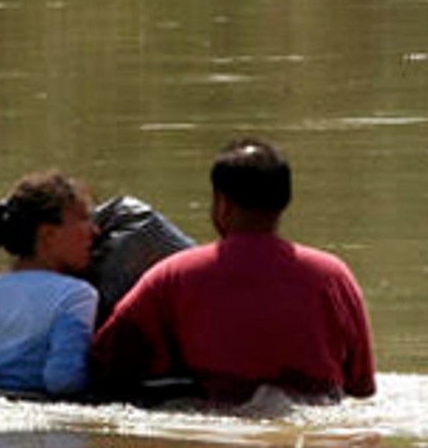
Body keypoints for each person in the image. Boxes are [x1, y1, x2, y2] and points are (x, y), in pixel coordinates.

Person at [91, 137, 377, 405]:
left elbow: (107, 359)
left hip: (215, 419)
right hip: (318, 430)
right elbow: (363, 387)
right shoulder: (334, 276)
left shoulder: (173, 275)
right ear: (285, 201)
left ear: (223, 205)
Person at [0, 171, 100, 398]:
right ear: (48, 234)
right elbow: (63, 380)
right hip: (39, 422)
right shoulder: (75, 295)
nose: (96, 231)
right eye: (85, 219)